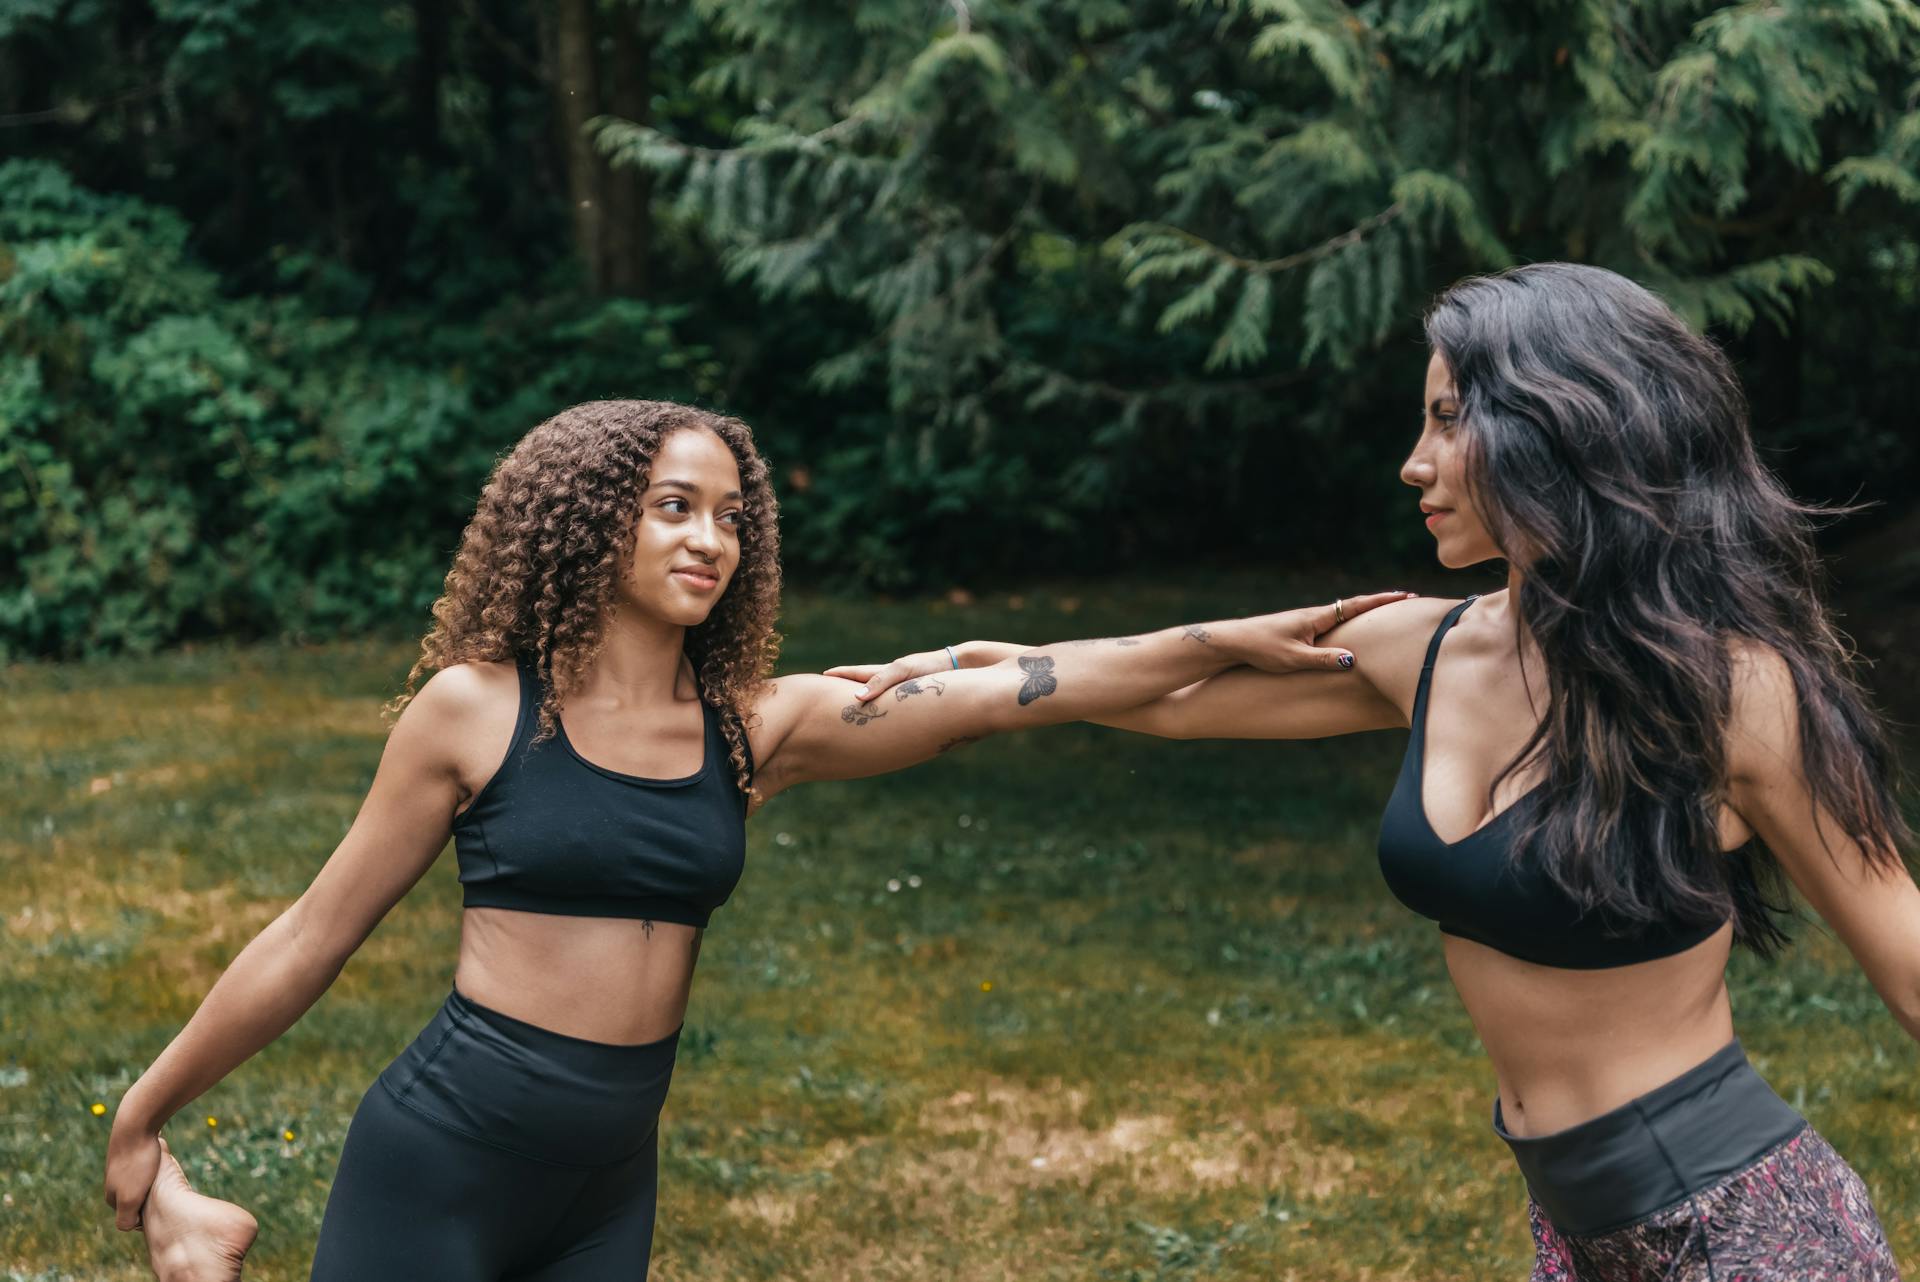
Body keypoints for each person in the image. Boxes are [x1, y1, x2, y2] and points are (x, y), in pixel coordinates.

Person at [102, 398, 1407, 1281]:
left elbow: (1009, 694)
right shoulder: (476, 711)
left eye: (731, 515)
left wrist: (1208, 641)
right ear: (588, 513)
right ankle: (192, 1231)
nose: (710, 538)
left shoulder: (753, 726)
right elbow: (313, 932)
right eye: (675, 505)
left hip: (609, 1176)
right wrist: (144, 1112)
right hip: (448, 1152)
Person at [846, 264, 1915, 1278]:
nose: (1414, 462)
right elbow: (1170, 698)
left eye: (1449, 420)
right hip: (1577, 1233)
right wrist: (969, 668)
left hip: (1747, 1233)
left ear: (1563, 425)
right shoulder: (1430, 648)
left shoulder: (1733, 693)